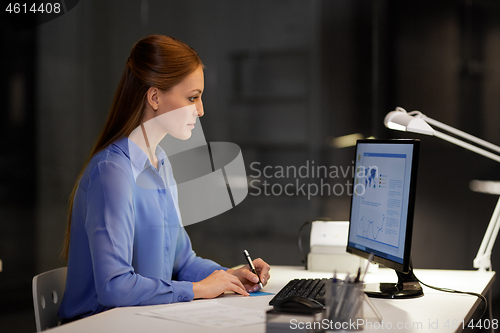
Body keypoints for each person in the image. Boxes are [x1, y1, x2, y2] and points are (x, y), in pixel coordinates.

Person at [58, 35, 271, 322]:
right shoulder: (112, 173)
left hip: (143, 320)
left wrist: (229, 276)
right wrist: (198, 289)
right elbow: (114, 288)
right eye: (192, 97)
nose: (200, 110)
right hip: (100, 325)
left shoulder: (161, 165)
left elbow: (182, 261)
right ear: (155, 97)